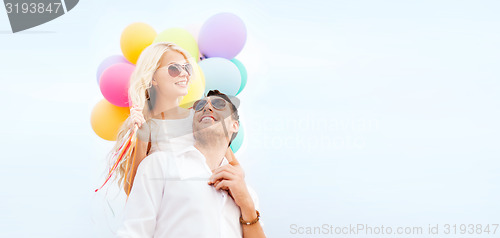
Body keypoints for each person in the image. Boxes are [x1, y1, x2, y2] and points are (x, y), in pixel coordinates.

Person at [116, 90, 265, 238]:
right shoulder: (159, 165)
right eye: (200, 106)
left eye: (218, 104)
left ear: (235, 125)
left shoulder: (247, 194)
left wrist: (247, 205)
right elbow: (133, 231)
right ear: (192, 125)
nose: (207, 107)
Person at [108, 42, 239, 195]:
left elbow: (235, 168)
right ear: (153, 78)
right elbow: (133, 193)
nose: (184, 74)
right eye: (174, 68)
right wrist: (142, 139)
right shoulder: (144, 127)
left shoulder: (199, 117)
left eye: (187, 68)